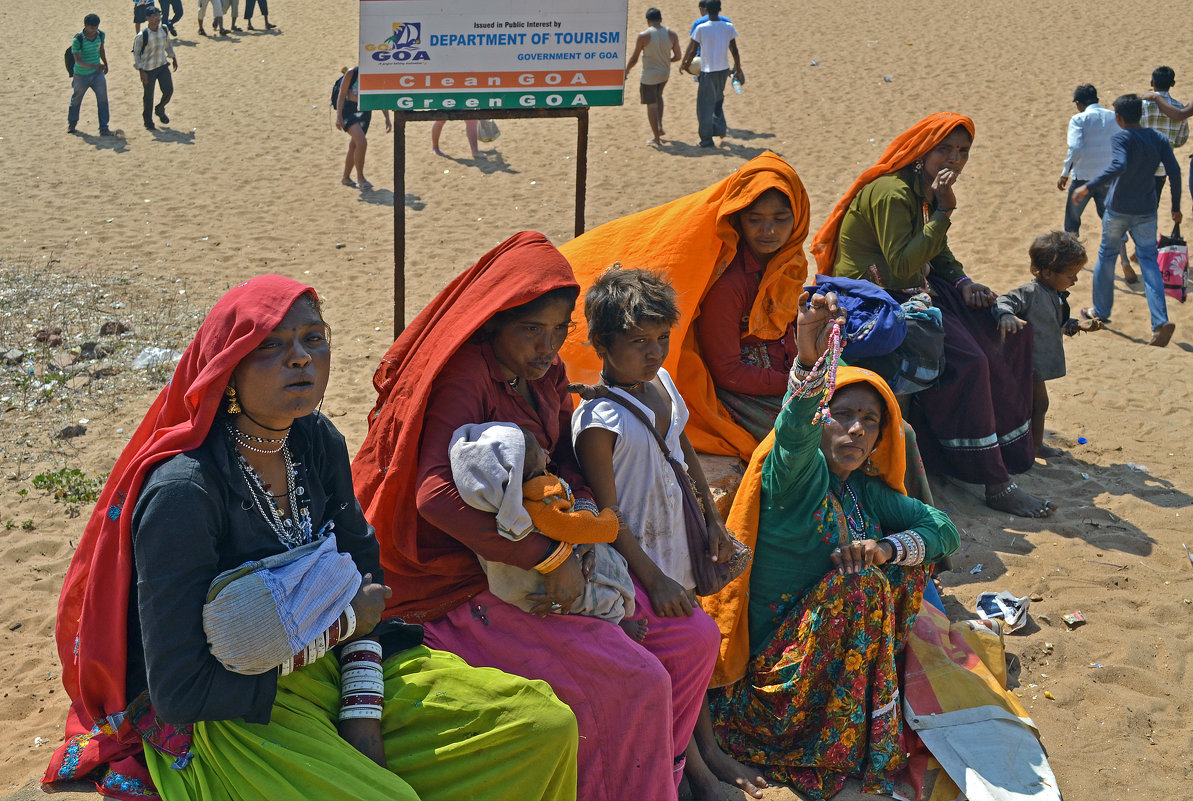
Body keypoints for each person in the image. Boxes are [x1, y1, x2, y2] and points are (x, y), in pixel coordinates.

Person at [43, 274, 579, 801]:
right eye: (270, 346)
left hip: (339, 670)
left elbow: (364, 570)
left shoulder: (315, 441)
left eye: (313, 339)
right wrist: (342, 622)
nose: (300, 358)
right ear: (227, 370)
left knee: (541, 729)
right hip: (232, 713)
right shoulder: (185, 494)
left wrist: (362, 714)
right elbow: (182, 692)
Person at [352, 231, 721, 801]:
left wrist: (580, 540)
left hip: (548, 551)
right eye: (531, 329)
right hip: (457, 578)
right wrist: (548, 557)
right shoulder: (466, 379)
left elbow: (569, 469)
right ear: (494, 321)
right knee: (635, 681)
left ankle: (653, 779)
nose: (547, 345)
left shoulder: (545, 377)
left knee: (692, 637)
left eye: (558, 330)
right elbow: (432, 496)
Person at [702, 291, 960, 800]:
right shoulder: (797, 479)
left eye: (871, 421)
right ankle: (824, 744)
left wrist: (886, 548)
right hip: (770, 679)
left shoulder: (866, 491)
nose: (858, 429)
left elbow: (943, 530)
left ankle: (855, 724)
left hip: (832, 666)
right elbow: (793, 430)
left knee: (902, 563)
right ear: (824, 420)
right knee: (860, 585)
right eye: (844, 415)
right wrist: (806, 360)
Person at [812, 112, 1054, 518]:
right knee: (971, 362)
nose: (954, 160)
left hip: (912, 286)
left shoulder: (920, 189)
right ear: (921, 152)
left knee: (1005, 334)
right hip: (875, 299)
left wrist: (962, 282)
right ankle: (995, 483)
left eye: (962, 152)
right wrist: (944, 211)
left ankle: (1014, 445)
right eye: (945, 149)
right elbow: (904, 265)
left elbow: (935, 251)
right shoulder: (894, 193)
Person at [571, 267, 735, 799]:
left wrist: (711, 518)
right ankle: (686, 766)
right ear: (601, 344)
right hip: (638, 562)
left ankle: (702, 754)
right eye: (638, 342)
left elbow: (682, 447)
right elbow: (608, 515)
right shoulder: (598, 421)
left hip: (677, 542)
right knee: (668, 662)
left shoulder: (661, 384)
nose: (654, 352)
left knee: (694, 653)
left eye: (662, 338)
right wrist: (656, 580)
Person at [448, 421, 639, 636]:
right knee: (593, 596)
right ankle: (616, 622)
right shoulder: (540, 499)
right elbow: (571, 527)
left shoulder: (504, 503)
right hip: (556, 581)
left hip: (510, 586)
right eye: (539, 450)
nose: (546, 452)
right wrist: (609, 522)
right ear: (523, 469)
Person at [1073, 94, 1182, 347]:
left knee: (1107, 255)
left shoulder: (1121, 137)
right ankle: (1159, 321)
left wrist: (1088, 187)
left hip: (1118, 210)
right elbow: (1174, 172)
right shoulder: (1158, 138)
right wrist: (1175, 207)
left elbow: (1119, 165)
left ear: (1119, 118)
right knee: (1149, 262)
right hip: (1146, 210)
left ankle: (1100, 311)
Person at [994, 232, 1101, 458]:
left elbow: (1055, 324)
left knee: (1038, 405)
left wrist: (1078, 325)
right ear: (1047, 272)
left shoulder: (1054, 293)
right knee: (1037, 405)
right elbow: (1004, 301)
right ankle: (1033, 448)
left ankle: (1034, 446)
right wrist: (1005, 316)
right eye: (1071, 275)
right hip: (1025, 365)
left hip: (1036, 366)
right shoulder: (1031, 292)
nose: (1075, 280)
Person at [1058, 84, 1134, 281]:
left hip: (1083, 179)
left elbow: (1074, 147)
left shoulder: (1079, 119)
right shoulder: (1113, 116)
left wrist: (1065, 173)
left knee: (1072, 222)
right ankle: (1124, 260)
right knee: (1112, 220)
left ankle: (1070, 263)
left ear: (1079, 103)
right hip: (1108, 178)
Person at [679, 0, 743, 148]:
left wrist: (685, 65)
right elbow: (735, 50)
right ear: (720, 9)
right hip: (723, 70)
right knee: (718, 101)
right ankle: (720, 129)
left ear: (706, 9)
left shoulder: (701, 28)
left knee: (704, 107)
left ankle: (706, 140)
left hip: (708, 71)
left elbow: (693, 49)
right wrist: (737, 69)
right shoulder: (728, 27)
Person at [625, 8, 681, 146]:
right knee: (659, 96)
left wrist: (626, 72)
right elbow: (678, 56)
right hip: (664, 73)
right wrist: (668, 61)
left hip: (649, 75)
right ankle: (660, 125)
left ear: (648, 21)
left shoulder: (644, 36)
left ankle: (656, 138)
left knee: (651, 105)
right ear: (660, 19)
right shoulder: (671, 34)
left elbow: (634, 58)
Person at [1142, 67, 1188, 215]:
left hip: (1139, 166)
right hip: (1161, 169)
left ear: (1152, 82)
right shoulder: (1179, 108)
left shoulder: (1142, 105)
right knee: (1150, 211)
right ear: (1173, 84)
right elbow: (1181, 139)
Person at [336, 66, 391, 190]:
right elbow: (342, 93)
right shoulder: (352, 73)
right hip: (348, 110)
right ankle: (361, 178)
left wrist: (386, 117)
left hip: (365, 112)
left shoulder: (375, 74)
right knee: (361, 142)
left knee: (354, 145)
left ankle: (346, 178)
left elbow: (380, 97)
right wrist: (338, 115)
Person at [131, 6, 177, 132]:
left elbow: (167, 44)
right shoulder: (142, 35)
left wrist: (173, 57)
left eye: (158, 15)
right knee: (148, 96)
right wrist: (141, 71)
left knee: (169, 90)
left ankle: (160, 109)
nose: (157, 18)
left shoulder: (164, 29)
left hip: (162, 65)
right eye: (153, 16)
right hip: (148, 69)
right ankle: (148, 121)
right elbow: (136, 54)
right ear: (147, 18)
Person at [68, 14, 113, 137]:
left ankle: (104, 127)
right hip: (81, 75)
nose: (94, 30)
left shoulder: (101, 35)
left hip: (97, 74)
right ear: (85, 26)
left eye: (96, 27)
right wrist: (94, 66)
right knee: (76, 100)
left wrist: (105, 63)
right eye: (92, 27)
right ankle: (72, 124)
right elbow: (78, 61)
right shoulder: (77, 40)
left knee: (103, 100)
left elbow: (101, 49)